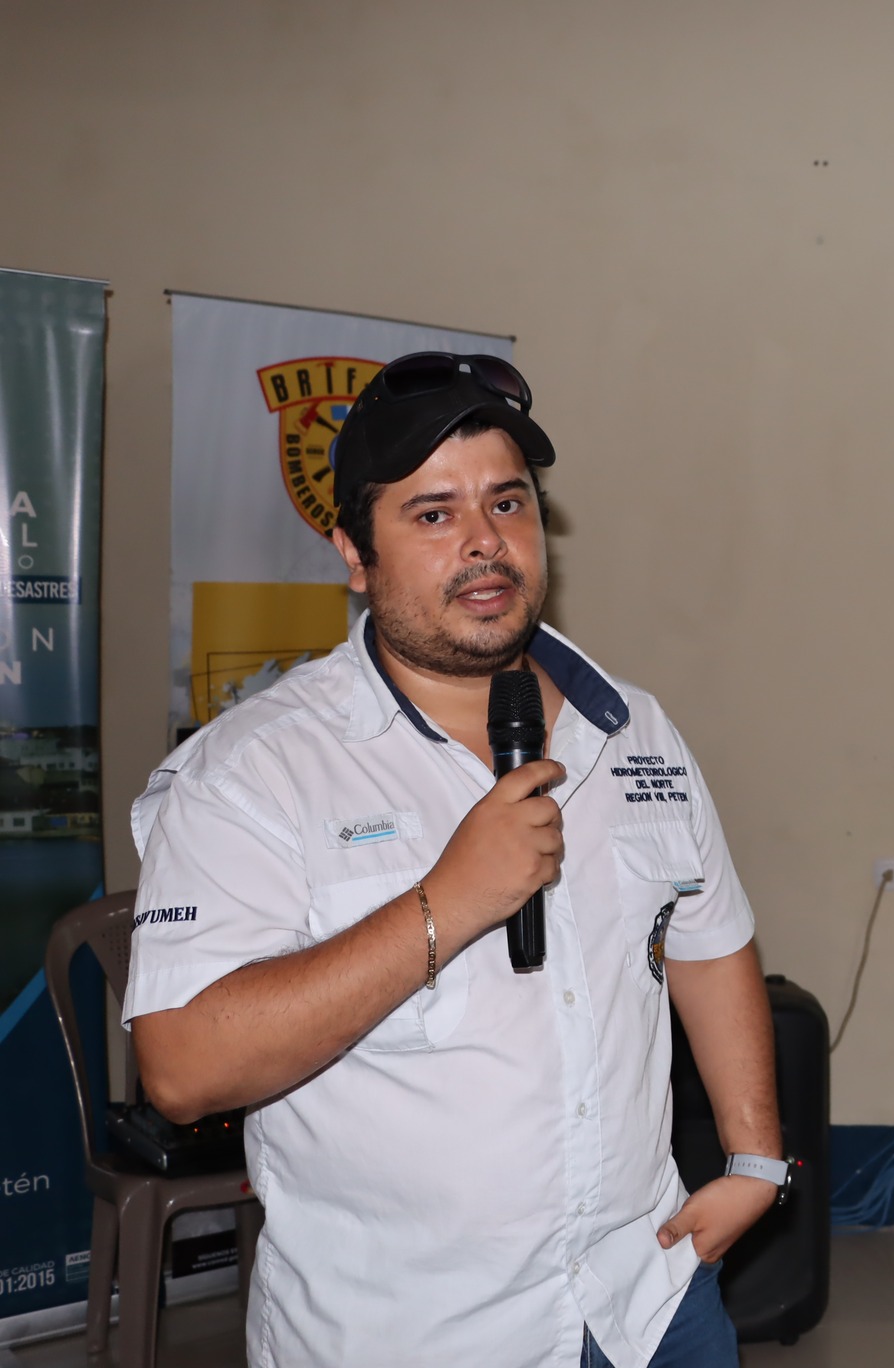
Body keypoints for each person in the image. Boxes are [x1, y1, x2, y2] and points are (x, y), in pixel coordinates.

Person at [124, 353, 784, 1368]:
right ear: (354, 553)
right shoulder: (253, 771)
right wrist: (448, 904)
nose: (484, 542)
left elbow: (705, 937)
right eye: (432, 514)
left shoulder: (633, 729)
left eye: (506, 502)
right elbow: (181, 1068)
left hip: (645, 1301)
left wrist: (754, 1155)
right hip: (410, 1333)